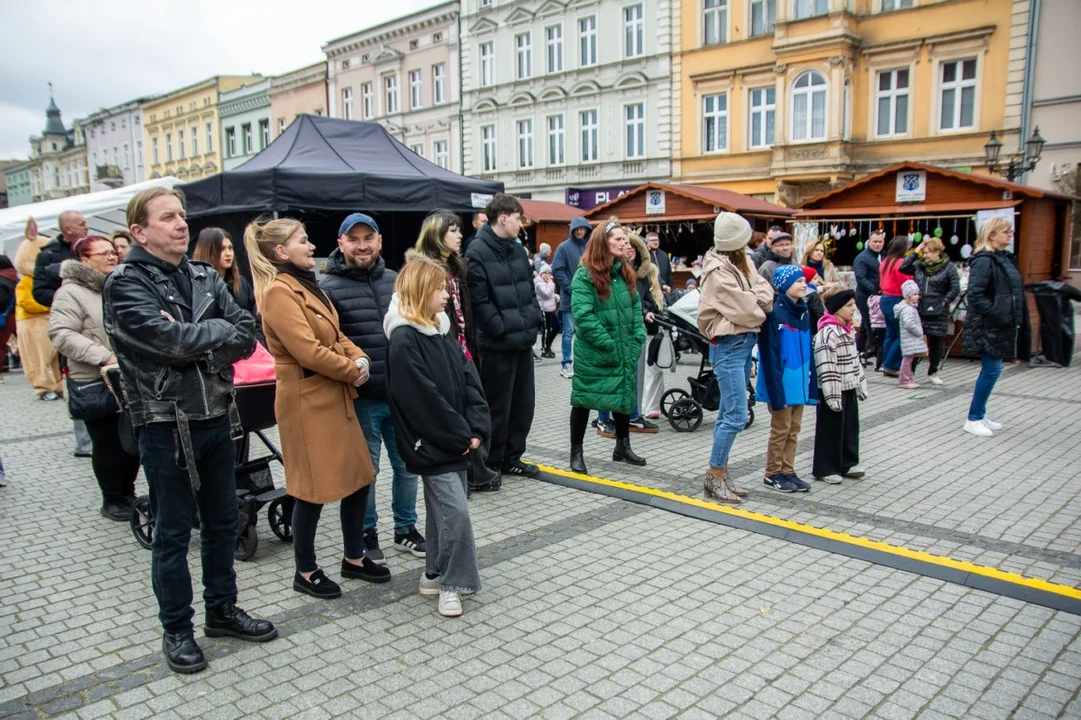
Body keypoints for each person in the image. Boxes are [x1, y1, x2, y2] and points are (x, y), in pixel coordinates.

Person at [103, 187, 274, 674]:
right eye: (168, 218)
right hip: (164, 424)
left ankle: (222, 611)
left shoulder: (202, 275)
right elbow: (164, 341)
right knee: (174, 533)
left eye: (183, 215)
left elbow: (245, 330)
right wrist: (211, 336)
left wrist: (205, 340)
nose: (182, 224)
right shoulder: (126, 282)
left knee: (223, 521)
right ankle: (177, 629)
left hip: (218, 414)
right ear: (139, 232)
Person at [245, 217, 389, 600]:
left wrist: (360, 361)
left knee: (360, 477)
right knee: (310, 488)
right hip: (308, 402)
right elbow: (307, 350)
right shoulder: (279, 292)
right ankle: (305, 571)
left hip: (334, 395)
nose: (311, 247)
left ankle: (354, 558)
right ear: (281, 251)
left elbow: (337, 335)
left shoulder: (307, 285)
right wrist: (352, 372)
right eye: (303, 241)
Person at [385, 256, 488, 617]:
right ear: (420, 290)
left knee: (440, 510)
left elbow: (467, 375)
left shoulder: (442, 329)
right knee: (455, 512)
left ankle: (432, 573)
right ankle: (453, 583)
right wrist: (461, 434)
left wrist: (476, 426)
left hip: (453, 438)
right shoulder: (403, 339)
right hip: (432, 443)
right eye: (441, 288)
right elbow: (423, 399)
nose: (447, 294)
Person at [320, 213, 426, 563]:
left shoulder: (396, 281)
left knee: (408, 467)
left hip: (402, 396)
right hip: (361, 400)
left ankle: (405, 529)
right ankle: (365, 533)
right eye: (354, 239)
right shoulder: (328, 289)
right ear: (341, 244)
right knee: (366, 473)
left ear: (380, 240)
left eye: (368, 238)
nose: (362, 245)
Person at [48, 236, 139, 520]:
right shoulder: (70, 292)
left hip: (127, 376)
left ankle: (128, 493)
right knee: (109, 443)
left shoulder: (118, 285)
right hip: (95, 379)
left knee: (131, 440)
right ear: (85, 260)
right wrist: (104, 356)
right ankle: (112, 499)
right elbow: (61, 334)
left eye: (114, 252)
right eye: (104, 253)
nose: (112, 257)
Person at [414, 210, 501, 493]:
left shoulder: (457, 267)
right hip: (442, 348)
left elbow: (464, 311)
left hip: (463, 346)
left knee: (472, 404)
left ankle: (475, 469)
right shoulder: (424, 271)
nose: (460, 235)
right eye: (453, 230)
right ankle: (467, 472)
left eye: (459, 230)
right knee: (452, 409)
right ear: (437, 234)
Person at [465, 194, 543, 479]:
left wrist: (534, 321)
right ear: (503, 218)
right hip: (497, 345)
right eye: (519, 218)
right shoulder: (477, 251)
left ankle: (512, 457)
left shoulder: (518, 251)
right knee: (497, 407)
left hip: (522, 343)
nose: (522, 224)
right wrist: (501, 328)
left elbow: (530, 293)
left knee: (523, 405)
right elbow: (480, 302)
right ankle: (492, 462)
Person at [698, 213, 773, 504]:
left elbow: (764, 290)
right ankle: (714, 475)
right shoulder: (718, 270)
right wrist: (758, 302)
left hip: (741, 342)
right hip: (729, 345)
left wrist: (755, 298)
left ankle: (721, 472)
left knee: (730, 413)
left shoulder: (740, 261)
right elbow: (748, 309)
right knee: (736, 416)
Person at [567, 218, 648, 474]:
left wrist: (637, 337)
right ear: (603, 242)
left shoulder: (623, 271)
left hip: (623, 348)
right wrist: (609, 344)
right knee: (583, 400)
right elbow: (583, 315)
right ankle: (576, 452)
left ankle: (622, 446)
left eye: (625, 239)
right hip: (595, 353)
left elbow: (635, 306)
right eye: (618, 239)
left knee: (623, 394)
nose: (624, 243)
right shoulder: (585, 275)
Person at [31, 211, 93, 455]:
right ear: (67, 229)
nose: (86, 225)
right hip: (71, 325)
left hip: (97, 324)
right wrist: (65, 300)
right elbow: (39, 291)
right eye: (81, 223)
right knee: (80, 381)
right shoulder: (48, 255)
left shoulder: (92, 246)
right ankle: (84, 443)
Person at [757, 265, 816, 494]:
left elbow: (807, 350)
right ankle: (772, 473)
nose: (804, 285)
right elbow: (770, 353)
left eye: (804, 281)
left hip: (798, 382)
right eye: (798, 281)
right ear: (784, 286)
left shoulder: (803, 311)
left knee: (794, 429)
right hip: (781, 383)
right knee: (780, 428)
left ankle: (788, 469)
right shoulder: (775, 313)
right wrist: (774, 388)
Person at [962, 218, 1023, 438]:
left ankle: (980, 414)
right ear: (991, 235)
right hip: (988, 325)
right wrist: (995, 313)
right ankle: (974, 418)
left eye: (1010, 231)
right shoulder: (984, 260)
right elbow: (976, 294)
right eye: (1005, 232)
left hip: (998, 323)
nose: (1010, 235)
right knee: (992, 369)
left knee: (993, 369)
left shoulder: (1002, 258)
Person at [812, 290, 867, 484]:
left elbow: (855, 360)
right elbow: (826, 367)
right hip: (833, 389)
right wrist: (832, 395)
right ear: (836, 308)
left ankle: (848, 462)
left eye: (854, 304)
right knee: (830, 429)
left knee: (850, 426)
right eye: (849, 305)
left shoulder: (848, 330)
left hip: (849, 385)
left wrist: (860, 383)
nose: (854, 309)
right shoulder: (827, 334)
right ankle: (825, 467)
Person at [900, 238, 961, 385]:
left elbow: (954, 288)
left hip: (938, 310)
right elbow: (903, 268)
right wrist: (915, 253)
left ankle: (933, 371)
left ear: (937, 252)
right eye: (924, 252)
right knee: (915, 342)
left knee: (936, 342)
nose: (925, 255)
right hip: (919, 308)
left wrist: (944, 301)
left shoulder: (948, 268)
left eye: (927, 253)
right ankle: (910, 373)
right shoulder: (919, 266)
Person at [14, 224, 63, 401]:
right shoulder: (26, 281)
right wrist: (49, 305)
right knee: (38, 359)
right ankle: (43, 387)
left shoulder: (42, 279)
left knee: (54, 357)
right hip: (32, 322)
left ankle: (57, 384)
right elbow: (26, 302)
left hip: (47, 321)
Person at [193, 227, 264, 345]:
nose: (228, 253)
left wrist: (258, 345)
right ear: (208, 251)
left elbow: (256, 321)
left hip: (251, 350)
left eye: (230, 248)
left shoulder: (241, 283)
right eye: (221, 249)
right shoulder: (198, 286)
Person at [551, 216, 593, 379]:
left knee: (587, 331)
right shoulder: (563, 247)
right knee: (568, 332)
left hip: (589, 299)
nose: (580, 231)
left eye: (583, 228)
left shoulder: (590, 247)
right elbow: (557, 270)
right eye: (577, 229)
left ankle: (583, 363)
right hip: (570, 299)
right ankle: (566, 364)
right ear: (572, 230)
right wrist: (572, 288)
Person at [631, 232, 666, 420]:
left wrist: (647, 310)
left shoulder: (642, 273)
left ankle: (641, 410)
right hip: (634, 328)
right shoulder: (628, 273)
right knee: (642, 371)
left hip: (646, 327)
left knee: (650, 369)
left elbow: (641, 298)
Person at [878, 237, 911, 378]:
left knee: (890, 333)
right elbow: (906, 283)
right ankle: (891, 365)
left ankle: (886, 362)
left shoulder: (886, 261)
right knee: (900, 333)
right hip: (896, 298)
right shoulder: (900, 263)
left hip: (885, 297)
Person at [853, 229, 886, 358]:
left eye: (880, 242)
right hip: (865, 295)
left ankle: (859, 352)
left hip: (878, 295)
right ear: (869, 242)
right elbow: (860, 278)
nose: (878, 244)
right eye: (875, 242)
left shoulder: (884, 256)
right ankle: (873, 351)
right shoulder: (862, 258)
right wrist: (875, 289)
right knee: (869, 324)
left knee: (864, 325)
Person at [896, 279, 927, 390]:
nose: (917, 296)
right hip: (910, 338)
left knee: (909, 359)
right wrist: (919, 332)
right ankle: (904, 380)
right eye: (914, 294)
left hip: (910, 339)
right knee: (907, 360)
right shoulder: (908, 309)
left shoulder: (910, 307)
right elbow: (909, 323)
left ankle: (908, 378)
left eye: (918, 294)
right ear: (907, 296)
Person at [535, 263, 560, 359]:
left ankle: (548, 345)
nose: (548, 275)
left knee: (556, 327)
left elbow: (550, 294)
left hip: (551, 309)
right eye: (545, 272)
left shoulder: (548, 283)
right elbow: (546, 293)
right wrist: (551, 284)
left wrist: (556, 297)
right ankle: (545, 349)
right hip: (544, 309)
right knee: (546, 330)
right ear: (541, 273)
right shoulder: (538, 284)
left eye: (549, 273)